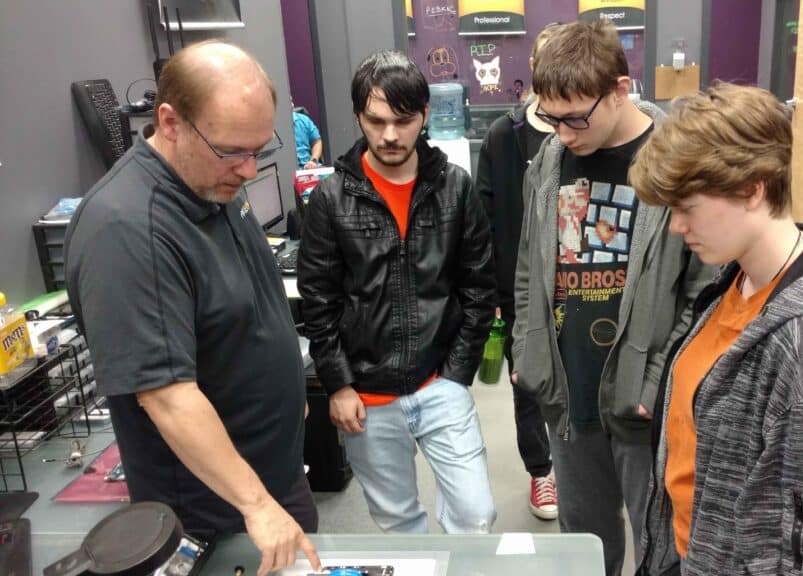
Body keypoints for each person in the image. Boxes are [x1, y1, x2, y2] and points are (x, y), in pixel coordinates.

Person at [64, 41, 321, 576]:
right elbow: (166, 395)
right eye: (232, 151)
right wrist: (255, 504)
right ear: (170, 121)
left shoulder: (211, 182)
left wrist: (286, 388)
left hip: (270, 479)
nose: (249, 169)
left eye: (259, 148)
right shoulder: (129, 228)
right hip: (212, 512)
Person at [631, 83, 803, 575]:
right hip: (685, 548)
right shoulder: (735, 280)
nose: (677, 227)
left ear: (752, 188)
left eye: (687, 207)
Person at [511, 20, 711, 576]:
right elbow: (529, 265)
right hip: (568, 392)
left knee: (660, 544)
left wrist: (656, 382)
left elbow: (701, 292)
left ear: (621, 89)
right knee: (586, 548)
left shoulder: (677, 160)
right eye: (551, 118)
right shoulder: (547, 163)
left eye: (577, 117)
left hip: (644, 403)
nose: (565, 133)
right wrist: (526, 353)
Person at [297, 50, 497, 534]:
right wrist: (338, 384)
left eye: (403, 121)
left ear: (424, 115)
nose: (389, 135)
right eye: (376, 120)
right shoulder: (329, 199)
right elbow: (319, 300)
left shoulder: (455, 187)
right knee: (399, 523)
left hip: (440, 382)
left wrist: (457, 374)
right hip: (365, 396)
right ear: (358, 118)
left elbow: (478, 285)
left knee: (475, 515)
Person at [475, 23, 560, 522]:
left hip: (580, 289)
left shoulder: (588, 134)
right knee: (527, 384)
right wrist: (490, 293)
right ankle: (541, 471)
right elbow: (485, 222)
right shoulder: (505, 136)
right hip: (520, 291)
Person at [293, 101, 323, 169]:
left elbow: (317, 142)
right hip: (291, 172)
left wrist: (313, 160)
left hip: (310, 167)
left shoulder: (303, 120)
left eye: (291, 101)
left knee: (334, 178)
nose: (292, 105)